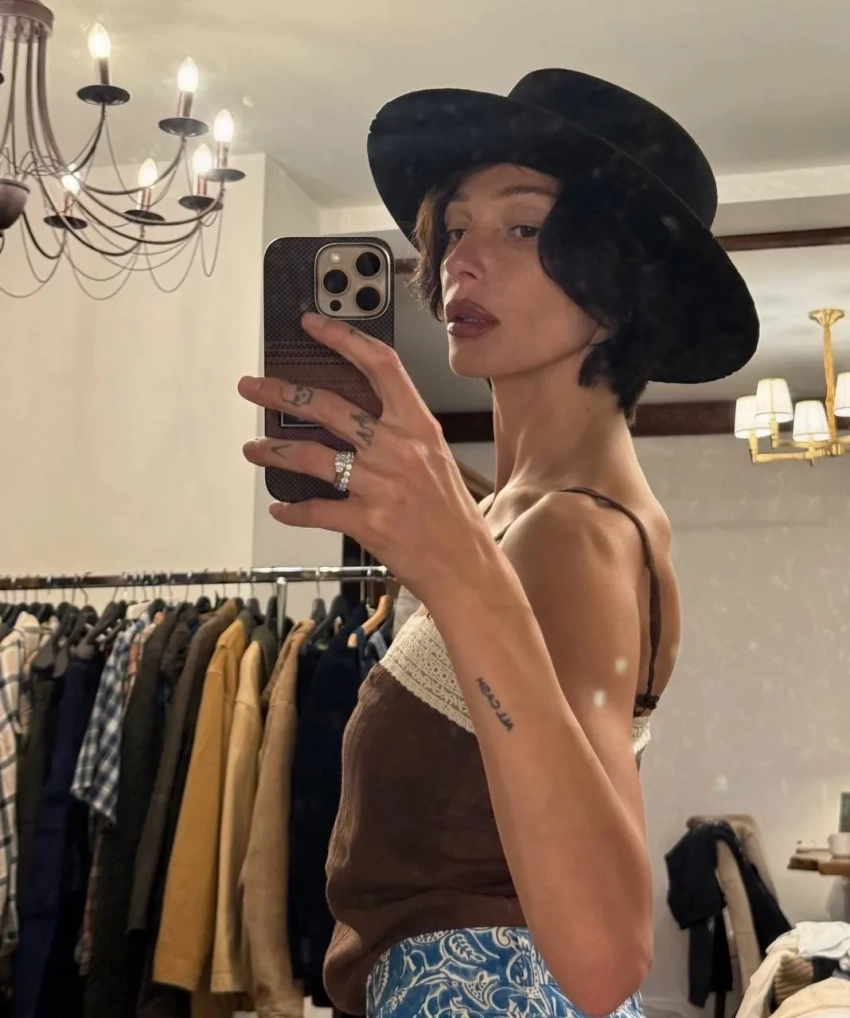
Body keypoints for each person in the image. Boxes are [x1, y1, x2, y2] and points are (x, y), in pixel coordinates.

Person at [238, 68, 759, 1018]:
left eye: (522, 227)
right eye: (455, 227)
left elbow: (604, 959)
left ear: (621, 282)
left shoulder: (572, 533)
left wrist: (463, 578)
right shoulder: (512, 512)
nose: (460, 263)